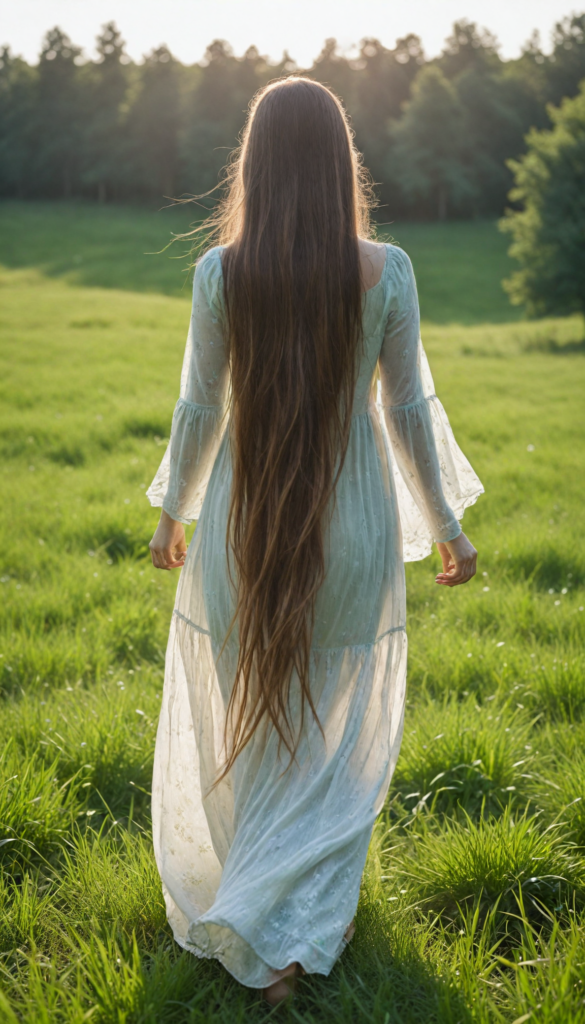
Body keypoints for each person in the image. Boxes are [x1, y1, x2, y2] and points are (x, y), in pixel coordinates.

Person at [147, 76, 482, 1006]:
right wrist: (448, 526)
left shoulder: (221, 272)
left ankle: (256, 909)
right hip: (357, 528)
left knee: (251, 710)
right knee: (337, 739)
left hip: (241, 524)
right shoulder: (389, 269)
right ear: (342, 166)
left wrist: (172, 510)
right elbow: (407, 410)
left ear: (252, 164)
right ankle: (288, 931)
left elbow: (199, 407)